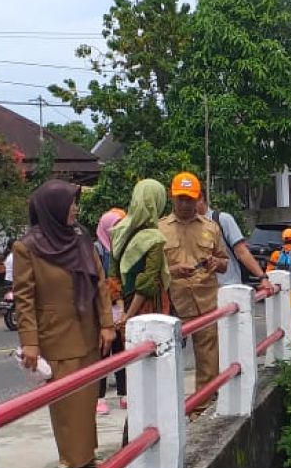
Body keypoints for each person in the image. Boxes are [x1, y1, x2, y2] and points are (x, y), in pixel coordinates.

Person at [13, 180, 115, 468]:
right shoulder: (27, 247)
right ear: (53, 207)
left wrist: (107, 323)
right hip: (54, 333)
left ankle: (85, 455)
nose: (75, 210)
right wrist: (30, 343)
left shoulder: (81, 238)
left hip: (88, 328)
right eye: (71, 204)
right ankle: (68, 458)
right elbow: (24, 298)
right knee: (64, 401)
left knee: (86, 397)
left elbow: (99, 282)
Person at [158, 173, 228, 415]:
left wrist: (215, 263)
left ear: (198, 198)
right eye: (180, 199)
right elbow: (153, 270)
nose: (185, 204)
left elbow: (225, 262)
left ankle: (202, 410)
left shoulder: (211, 228)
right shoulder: (159, 229)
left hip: (206, 303)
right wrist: (174, 270)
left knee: (208, 361)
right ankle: (168, 413)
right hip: (174, 304)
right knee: (166, 361)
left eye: (189, 199)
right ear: (172, 197)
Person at [190, 181, 273, 294]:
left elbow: (242, 252)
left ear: (201, 198)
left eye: (189, 200)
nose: (185, 205)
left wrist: (263, 278)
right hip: (201, 294)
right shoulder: (184, 226)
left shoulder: (222, 220)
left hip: (228, 288)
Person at [110, 179, 170, 326]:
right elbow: (147, 283)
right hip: (145, 312)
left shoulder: (119, 230)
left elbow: (112, 276)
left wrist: (121, 310)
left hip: (121, 304)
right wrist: (128, 317)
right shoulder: (154, 238)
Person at [95, 208, 127, 415]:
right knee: (102, 354)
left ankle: (125, 392)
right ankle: (99, 397)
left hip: (121, 306)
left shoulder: (124, 249)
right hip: (103, 308)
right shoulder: (96, 250)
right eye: (115, 227)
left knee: (122, 351)